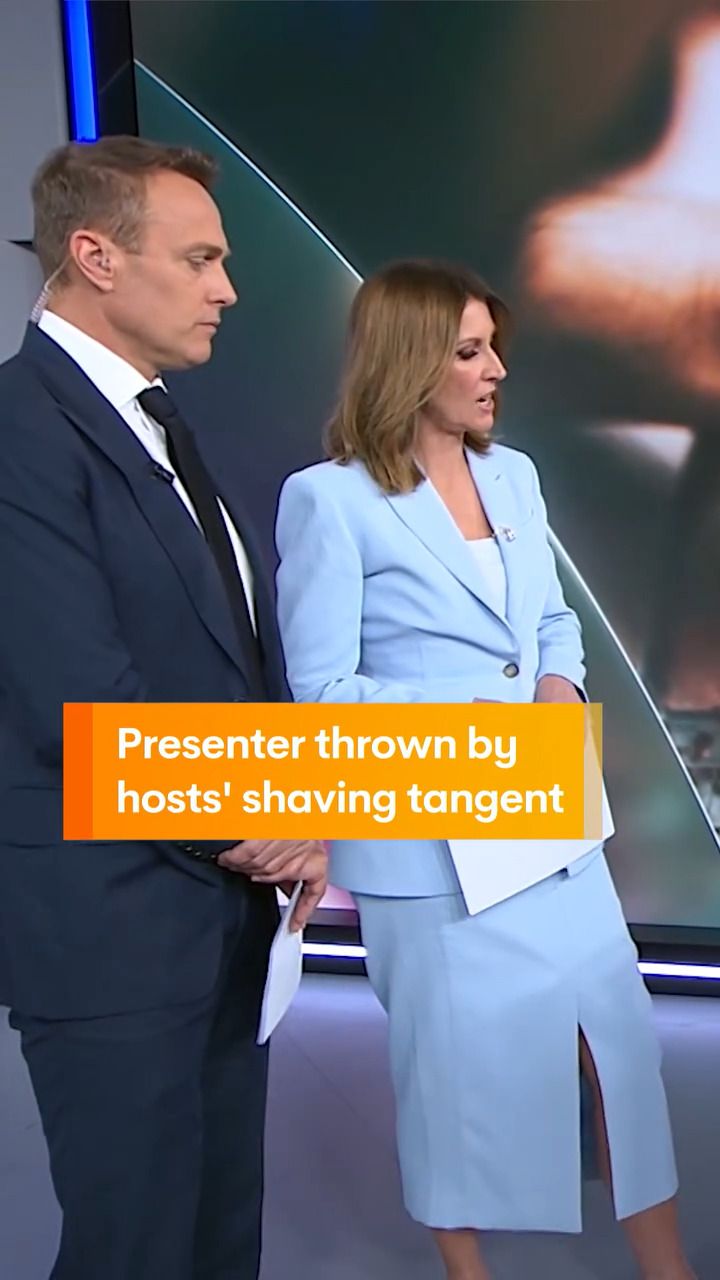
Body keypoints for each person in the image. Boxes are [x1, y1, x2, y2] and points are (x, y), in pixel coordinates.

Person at [274, 260, 694, 1280]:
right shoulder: (329, 501)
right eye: (469, 351)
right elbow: (322, 691)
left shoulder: (514, 476)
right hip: (429, 841)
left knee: (618, 1048)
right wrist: (476, 719)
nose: (496, 368)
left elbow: (552, 619)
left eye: (493, 346)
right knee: (452, 1076)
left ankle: (669, 1268)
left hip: (545, 813)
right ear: (409, 362)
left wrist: (555, 684)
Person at [0, 136, 327, 1280]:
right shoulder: (19, 428)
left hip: (224, 918)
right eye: (199, 259)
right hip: (111, 927)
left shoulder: (162, 423)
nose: (226, 289)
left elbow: (229, 660)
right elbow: (79, 698)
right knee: (133, 1250)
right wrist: (263, 818)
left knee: (215, 1242)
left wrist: (298, 810)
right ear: (96, 256)